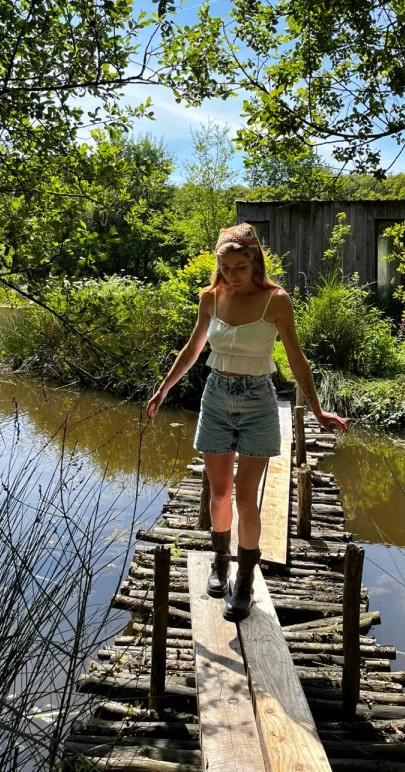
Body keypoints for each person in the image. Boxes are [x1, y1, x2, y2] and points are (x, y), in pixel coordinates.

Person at [146, 223, 348, 621]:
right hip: (216, 397)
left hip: (258, 400)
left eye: (239, 267)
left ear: (255, 262)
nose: (232, 276)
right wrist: (165, 388)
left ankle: (245, 579)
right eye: (225, 267)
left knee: (245, 496)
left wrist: (318, 409)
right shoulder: (210, 298)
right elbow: (193, 349)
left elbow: (295, 356)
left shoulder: (276, 300)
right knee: (218, 494)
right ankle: (221, 562)